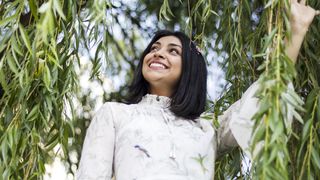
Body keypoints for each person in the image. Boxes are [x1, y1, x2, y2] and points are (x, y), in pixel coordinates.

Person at [77, 1, 319, 179]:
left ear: (191, 70)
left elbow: (264, 99)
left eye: (173, 51)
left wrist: (296, 32)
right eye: (154, 48)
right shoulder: (115, 115)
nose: (157, 53)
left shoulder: (207, 129)